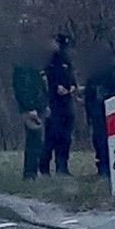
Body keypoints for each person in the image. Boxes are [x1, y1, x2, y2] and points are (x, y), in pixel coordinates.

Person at [13, 32, 52, 179]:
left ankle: (33, 172)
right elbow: (24, 89)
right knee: (34, 142)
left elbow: (41, 87)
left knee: (37, 142)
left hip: (38, 107)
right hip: (31, 109)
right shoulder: (23, 68)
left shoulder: (33, 67)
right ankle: (30, 173)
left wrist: (44, 105)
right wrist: (30, 108)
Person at [82, 42, 115, 177]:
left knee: (101, 138)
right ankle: (111, 165)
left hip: (100, 108)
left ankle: (104, 166)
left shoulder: (96, 69)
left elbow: (89, 92)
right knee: (110, 138)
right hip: (109, 107)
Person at [41, 34, 76, 175]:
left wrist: (72, 87)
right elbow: (46, 80)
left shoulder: (66, 59)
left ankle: (62, 167)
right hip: (53, 103)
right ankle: (44, 167)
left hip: (66, 103)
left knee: (65, 138)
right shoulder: (50, 60)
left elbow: (71, 77)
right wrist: (55, 88)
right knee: (51, 137)